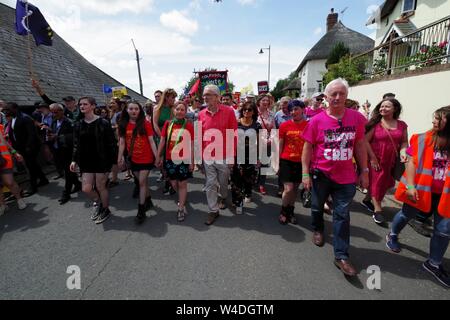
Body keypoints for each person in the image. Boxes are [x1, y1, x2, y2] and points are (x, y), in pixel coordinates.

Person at [302, 78, 369, 277]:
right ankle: (318, 229)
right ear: (326, 97)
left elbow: (359, 145)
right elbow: (307, 148)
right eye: (334, 94)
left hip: (346, 178)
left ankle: (341, 256)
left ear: (347, 96)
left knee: (342, 215)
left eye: (342, 94)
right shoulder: (315, 121)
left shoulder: (357, 118)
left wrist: (364, 171)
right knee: (316, 206)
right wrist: (305, 173)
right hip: (320, 174)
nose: (338, 97)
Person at [386, 106, 450, 288]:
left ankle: (434, 263)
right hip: (421, 190)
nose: (434, 120)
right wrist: (411, 185)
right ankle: (393, 234)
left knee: (444, 229)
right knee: (407, 214)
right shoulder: (422, 139)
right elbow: (411, 162)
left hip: (446, 194)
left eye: (439, 118)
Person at [70, 97, 116, 225]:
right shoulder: (78, 124)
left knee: (101, 186)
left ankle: (106, 209)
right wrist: (73, 160)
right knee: (86, 188)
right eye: (80, 104)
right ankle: (98, 202)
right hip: (86, 161)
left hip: (102, 160)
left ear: (93, 106)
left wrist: (114, 162)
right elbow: (75, 144)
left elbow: (111, 143)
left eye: (85, 104)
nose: (82, 106)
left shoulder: (104, 123)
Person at [362, 98, 408, 224]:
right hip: (375, 159)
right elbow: (365, 141)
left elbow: (404, 141)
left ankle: (367, 200)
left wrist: (403, 152)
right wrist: (372, 158)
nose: (382, 109)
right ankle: (378, 210)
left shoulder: (402, 125)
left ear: (395, 109)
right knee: (377, 183)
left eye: (387, 106)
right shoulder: (376, 124)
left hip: (391, 160)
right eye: (381, 106)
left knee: (384, 182)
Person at [198, 85, 238, 226]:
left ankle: (223, 196)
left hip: (224, 155)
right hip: (207, 155)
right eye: (204, 95)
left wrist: (232, 155)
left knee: (223, 183)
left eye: (208, 94)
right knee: (210, 183)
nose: (205, 97)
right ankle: (213, 210)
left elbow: (233, 134)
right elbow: (199, 136)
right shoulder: (201, 114)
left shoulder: (229, 112)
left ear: (217, 96)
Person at [118, 101, 157, 224]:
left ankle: (141, 211)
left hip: (146, 158)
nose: (134, 111)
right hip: (133, 159)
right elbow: (122, 142)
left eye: (136, 109)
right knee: (143, 182)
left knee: (141, 182)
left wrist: (157, 157)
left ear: (140, 111)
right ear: (127, 110)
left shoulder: (145, 124)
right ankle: (149, 199)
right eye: (131, 109)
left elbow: (151, 141)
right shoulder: (123, 124)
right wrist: (120, 157)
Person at [156, 102, 194, 222]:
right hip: (170, 159)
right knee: (173, 183)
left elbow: (192, 145)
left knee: (182, 184)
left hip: (183, 159)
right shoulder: (168, 124)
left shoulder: (188, 125)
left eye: (182, 109)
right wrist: (158, 156)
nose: (180, 111)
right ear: (174, 111)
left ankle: (181, 208)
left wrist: (192, 161)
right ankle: (182, 196)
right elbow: (162, 141)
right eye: (178, 109)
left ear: (185, 112)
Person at [3, 102, 49, 197]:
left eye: (8, 109)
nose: (6, 111)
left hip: (30, 147)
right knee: (33, 164)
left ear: (15, 108)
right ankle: (43, 180)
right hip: (22, 147)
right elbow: (14, 132)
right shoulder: (13, 119)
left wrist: (28, 147)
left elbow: (32, 134)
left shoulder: (25, 118)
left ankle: (33, 187)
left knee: (30, 166)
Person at [278, 100, 308, 225]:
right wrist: (278, 162)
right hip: (286, 161)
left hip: (301, 162)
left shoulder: (309, 125)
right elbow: (280, 144)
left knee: (295, 189)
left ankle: (291, 211)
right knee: (288, 188)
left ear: (302, 110)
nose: (293, 112)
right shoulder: (284, 126)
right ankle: (284, 211)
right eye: (291, 110)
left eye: (296, 109)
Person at [47, 103, 81, 204]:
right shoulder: (53, 122)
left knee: (68, 173)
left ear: (62, 111)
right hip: (58, 151)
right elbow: (53, 133)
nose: (53, 114)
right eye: (52, 112)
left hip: (68, 152)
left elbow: (74, 138)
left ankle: (66, 194)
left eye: (56, 112)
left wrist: (57, 137)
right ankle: (78, 184)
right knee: (68, 171)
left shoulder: (70, 122)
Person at [231, 101, 261, 214]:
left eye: (249, 110)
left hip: (251, 155)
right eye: (244, 110)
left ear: (253, 112)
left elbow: (260, 143)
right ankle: (238, 202)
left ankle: (248, 192)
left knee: (248, 178)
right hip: (237, 154)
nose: (246, 112)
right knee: (236, 179)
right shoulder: (236, 123)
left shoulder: (257, 125)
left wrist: (259, 158)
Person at [153, 88, 177, 194]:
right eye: (172, 97)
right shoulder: (157, 108)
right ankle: (167, 180)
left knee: (171, 161)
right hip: (161, 137)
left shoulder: (174, 108)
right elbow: (155, 124)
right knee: (162, 162)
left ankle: (171, 183)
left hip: (173, 138)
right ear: (166, 97)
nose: (174, 99)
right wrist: (162, 137)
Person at [0, 123, 27, 215]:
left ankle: (19, 199)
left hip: (4, 159)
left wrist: (14, 152)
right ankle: (3, 205)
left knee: (9, 182)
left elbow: (4, 142)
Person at [256, 94, 276, 195]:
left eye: (267, 101)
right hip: (254, 143)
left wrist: (271, 139)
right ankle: (251, 182)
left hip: (267, 143)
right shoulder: (253, 112)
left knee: (264, 164)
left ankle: (261, 184)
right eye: (263, 100)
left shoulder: (272, 114)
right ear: (258, 101)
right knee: (253, 163)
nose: (265, 102)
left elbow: (274, 129)